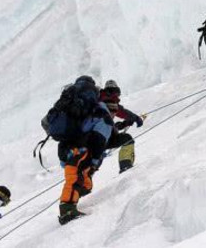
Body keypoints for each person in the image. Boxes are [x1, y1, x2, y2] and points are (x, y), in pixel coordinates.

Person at [57, 75, 113, 225]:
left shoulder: (68, 104)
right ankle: (67, 209)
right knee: (75, 177)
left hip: (65, 147)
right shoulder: (97, 108)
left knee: (82, 181)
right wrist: (95, 160)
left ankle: (72, 198)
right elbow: (100, 136)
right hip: (81, 148)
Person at [98, 79, 144, 173]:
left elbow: (103, 123)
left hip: (90, 137)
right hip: (100, 139)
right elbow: (122, 112)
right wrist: (135, 118)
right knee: (127, 139)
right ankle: (125, 166)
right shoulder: (109, 101)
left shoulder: (99, 101)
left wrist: (121, 125)